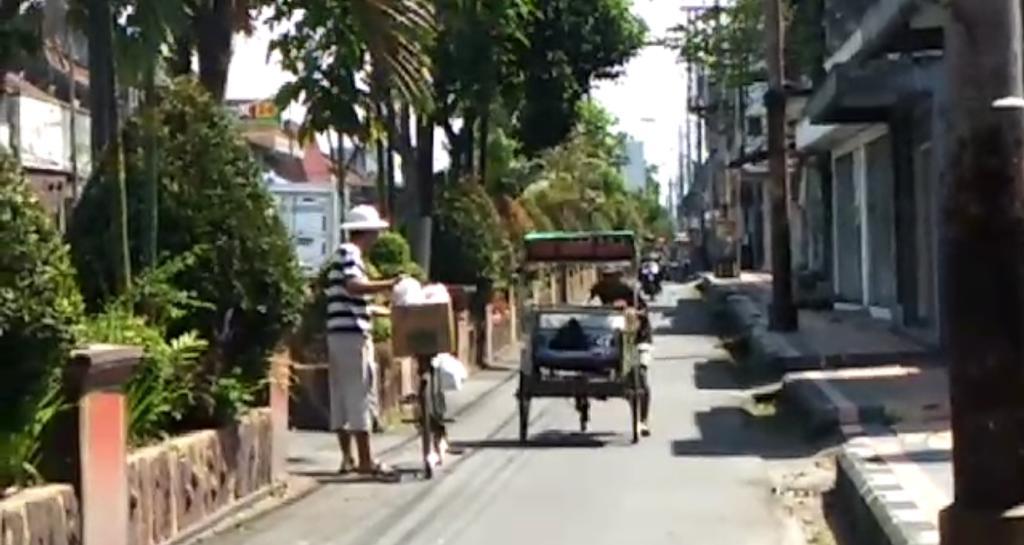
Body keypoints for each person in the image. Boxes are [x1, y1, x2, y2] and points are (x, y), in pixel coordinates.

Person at [326, 205, 400, 477]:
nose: (378, 239)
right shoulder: (351, 254)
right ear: (366, 233)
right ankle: (366, 461)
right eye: (376, 233)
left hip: (339, 335)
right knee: (358, 395)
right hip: (352, 337)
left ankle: (348, 459)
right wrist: (389, 283)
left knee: (342, 397)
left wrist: (383, 310)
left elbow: (352, 299)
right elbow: (353, 287)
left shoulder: (343, 255)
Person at [588, 266, 652, 436]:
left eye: (612, 276)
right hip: (608, 338)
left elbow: (644, 311)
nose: (609, 279)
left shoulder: (631, 291)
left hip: (638, 338)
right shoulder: (598, 289)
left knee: (641, 377)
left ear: (619, 276)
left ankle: (643, 421)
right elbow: (589, 308)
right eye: (606, 276)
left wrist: (631, 312)